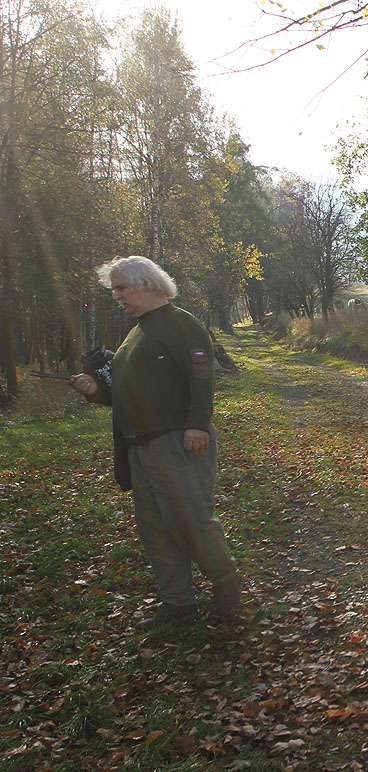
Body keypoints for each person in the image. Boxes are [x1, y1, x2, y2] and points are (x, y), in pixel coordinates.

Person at [69, 256, 242, 632]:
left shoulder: (181, 323)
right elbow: (126, 392)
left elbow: (201, 376)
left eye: (121, 288)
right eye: (114, 289)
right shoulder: (136, 332)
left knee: (191, 519)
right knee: (155, 527)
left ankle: (228, 589)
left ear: (146, 284)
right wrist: (95, 390)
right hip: (140, 446)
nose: (116, 296)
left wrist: (197, 425)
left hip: (177, 441)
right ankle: (177, 603)